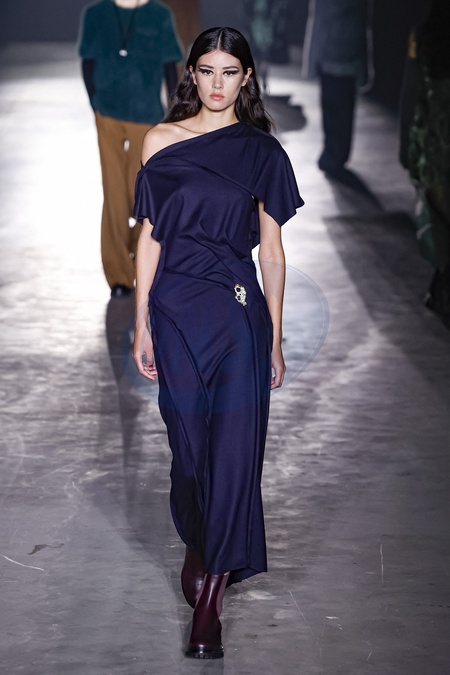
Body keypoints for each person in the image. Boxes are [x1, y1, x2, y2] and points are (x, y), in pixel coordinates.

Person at [132, 27, 303, 659]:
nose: (217, 84)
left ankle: (209, 608)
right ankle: (201, 543)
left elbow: (273, 254)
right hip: (175, 310)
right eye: (207, 71)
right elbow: (150, 236)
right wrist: (140, 323)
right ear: (192, 74)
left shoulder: (261, 152)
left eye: (230, 72)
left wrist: (275, 336)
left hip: (236, 316)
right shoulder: (160, 141)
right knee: (189, 451)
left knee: (234, 453)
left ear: (246, 79)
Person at [78, 0, 183, 297]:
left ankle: (141, 263)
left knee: (141, 190)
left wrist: (174, 113)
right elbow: (87, 63)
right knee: (113, 191)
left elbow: (170, 68)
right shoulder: (95, 14)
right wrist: (96, 104)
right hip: (108, 115)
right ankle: (119, 276)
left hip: (147, 114)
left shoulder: (160, 15)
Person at [401, 0, 450, 329]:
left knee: (440, 221)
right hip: (436, 143)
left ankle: (442, 286)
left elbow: (412, 90)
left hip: (435, 146)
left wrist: (406, 145)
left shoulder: (422, 35)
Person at [303, 0, 373, 181]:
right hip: (349, 61)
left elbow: (318, 24)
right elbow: (364, 28)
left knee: (331, 113)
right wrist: (365, 70)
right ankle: (339, 156)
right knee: (344, 113)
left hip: (330, 61)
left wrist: (311, 64)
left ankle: (332, 155)